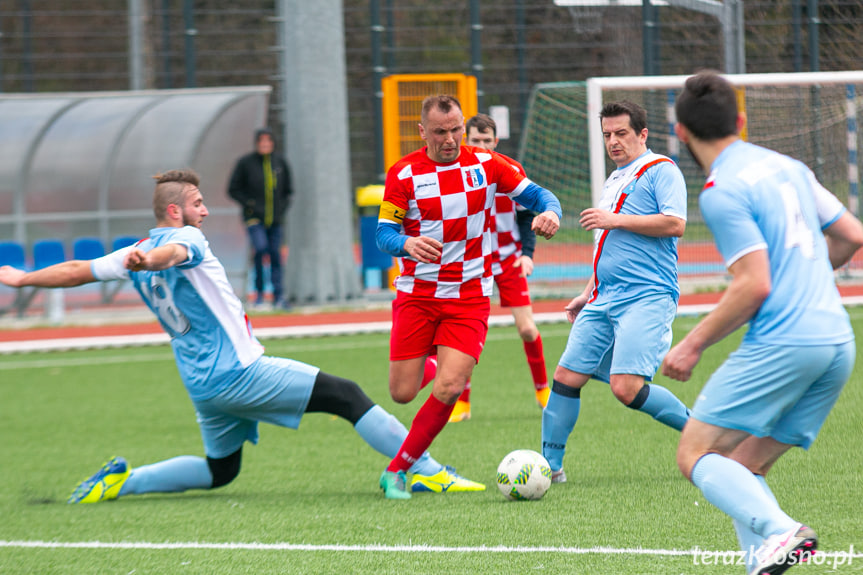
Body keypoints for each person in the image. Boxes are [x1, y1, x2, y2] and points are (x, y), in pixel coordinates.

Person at [0, 169, 469, 503]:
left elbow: (78, 270)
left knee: (220, 471)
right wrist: (158, 259)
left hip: (202, 385)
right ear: (174, 210)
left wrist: (22, 279)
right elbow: (178, 252)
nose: (205, 211)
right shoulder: (186, 241)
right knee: (345, 396)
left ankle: (125, 482)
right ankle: (424, 470)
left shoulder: (132, 252)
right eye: (198, 203)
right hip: (240, 372)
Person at [663, 70, 863, 575]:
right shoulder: (787, 166)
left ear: (680, 133)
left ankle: (783, 532)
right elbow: (851, 236)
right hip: (837, 340)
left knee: (695, 452)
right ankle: (763, 563)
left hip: (786, 342)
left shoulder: (721, 190)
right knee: (740, 468)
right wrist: (810, 274)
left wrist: (691, 345)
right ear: (742, 120)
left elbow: (753, 284)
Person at [375, 95, 562, 499]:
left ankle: (398, 470)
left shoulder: (487, 164)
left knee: (451, 384)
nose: (451, 139)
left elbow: (541, 196)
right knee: (402, 393)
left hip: (469, 296)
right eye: (441, 132)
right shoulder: (403, 173)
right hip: (418, 295)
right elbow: (383, 235)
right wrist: (406, 244)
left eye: (456, 129)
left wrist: (551, 213)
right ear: (422, 131)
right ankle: (433, 365)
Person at [541, 100, 691, 484]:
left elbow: (675, 223)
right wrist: (586, 290)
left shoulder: (661, 170)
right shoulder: (614, 179)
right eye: (607, 135)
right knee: (566, 376)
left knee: (627, 389)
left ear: (642, 134)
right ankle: (548, 469)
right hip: (602, 297)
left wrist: (614, 219)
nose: (613, 142)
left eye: (621, 133)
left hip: (647, 295)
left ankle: (705, 437)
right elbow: (608, 245)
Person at [420, 113, 551, 423]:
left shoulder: (510, 170)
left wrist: (527, 253)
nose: (480, 145)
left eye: (486, 140)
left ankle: (544, 392)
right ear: (466, 138)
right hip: (469, 264)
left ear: (496, 141)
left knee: (528, 328)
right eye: (474, 140)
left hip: (506, 259)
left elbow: (525, 213)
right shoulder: (454, 171)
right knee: (461, 336)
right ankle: (461, 404)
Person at [228, 128, 292, 308]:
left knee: (275, 255)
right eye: (261, 142)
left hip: (275, 219)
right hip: (254, 218)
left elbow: (288, 191)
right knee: (260, 249)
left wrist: (281, 209)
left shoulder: (280, 163)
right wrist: (249, 204)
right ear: (257, 144)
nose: (265, 145)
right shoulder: (246, 163)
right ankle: (259, 294)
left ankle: (279, 296)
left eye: (268, 141)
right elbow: (233, 189)